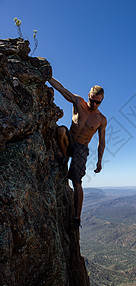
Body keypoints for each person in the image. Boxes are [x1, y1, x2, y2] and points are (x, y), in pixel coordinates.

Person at [48, 77, 107, 228]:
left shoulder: (101, 119)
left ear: (101, 101)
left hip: (81, 148)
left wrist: (100, 161)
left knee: (77, 182)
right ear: (88, 95)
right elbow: (62, 89)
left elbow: (101, 142)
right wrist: (47, 75)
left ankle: (77, 218)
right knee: (61, 131)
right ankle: (63, 157)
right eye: (91, 100)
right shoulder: (79, 103)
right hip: (69, 141)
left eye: (97, 102)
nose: (93, 104)